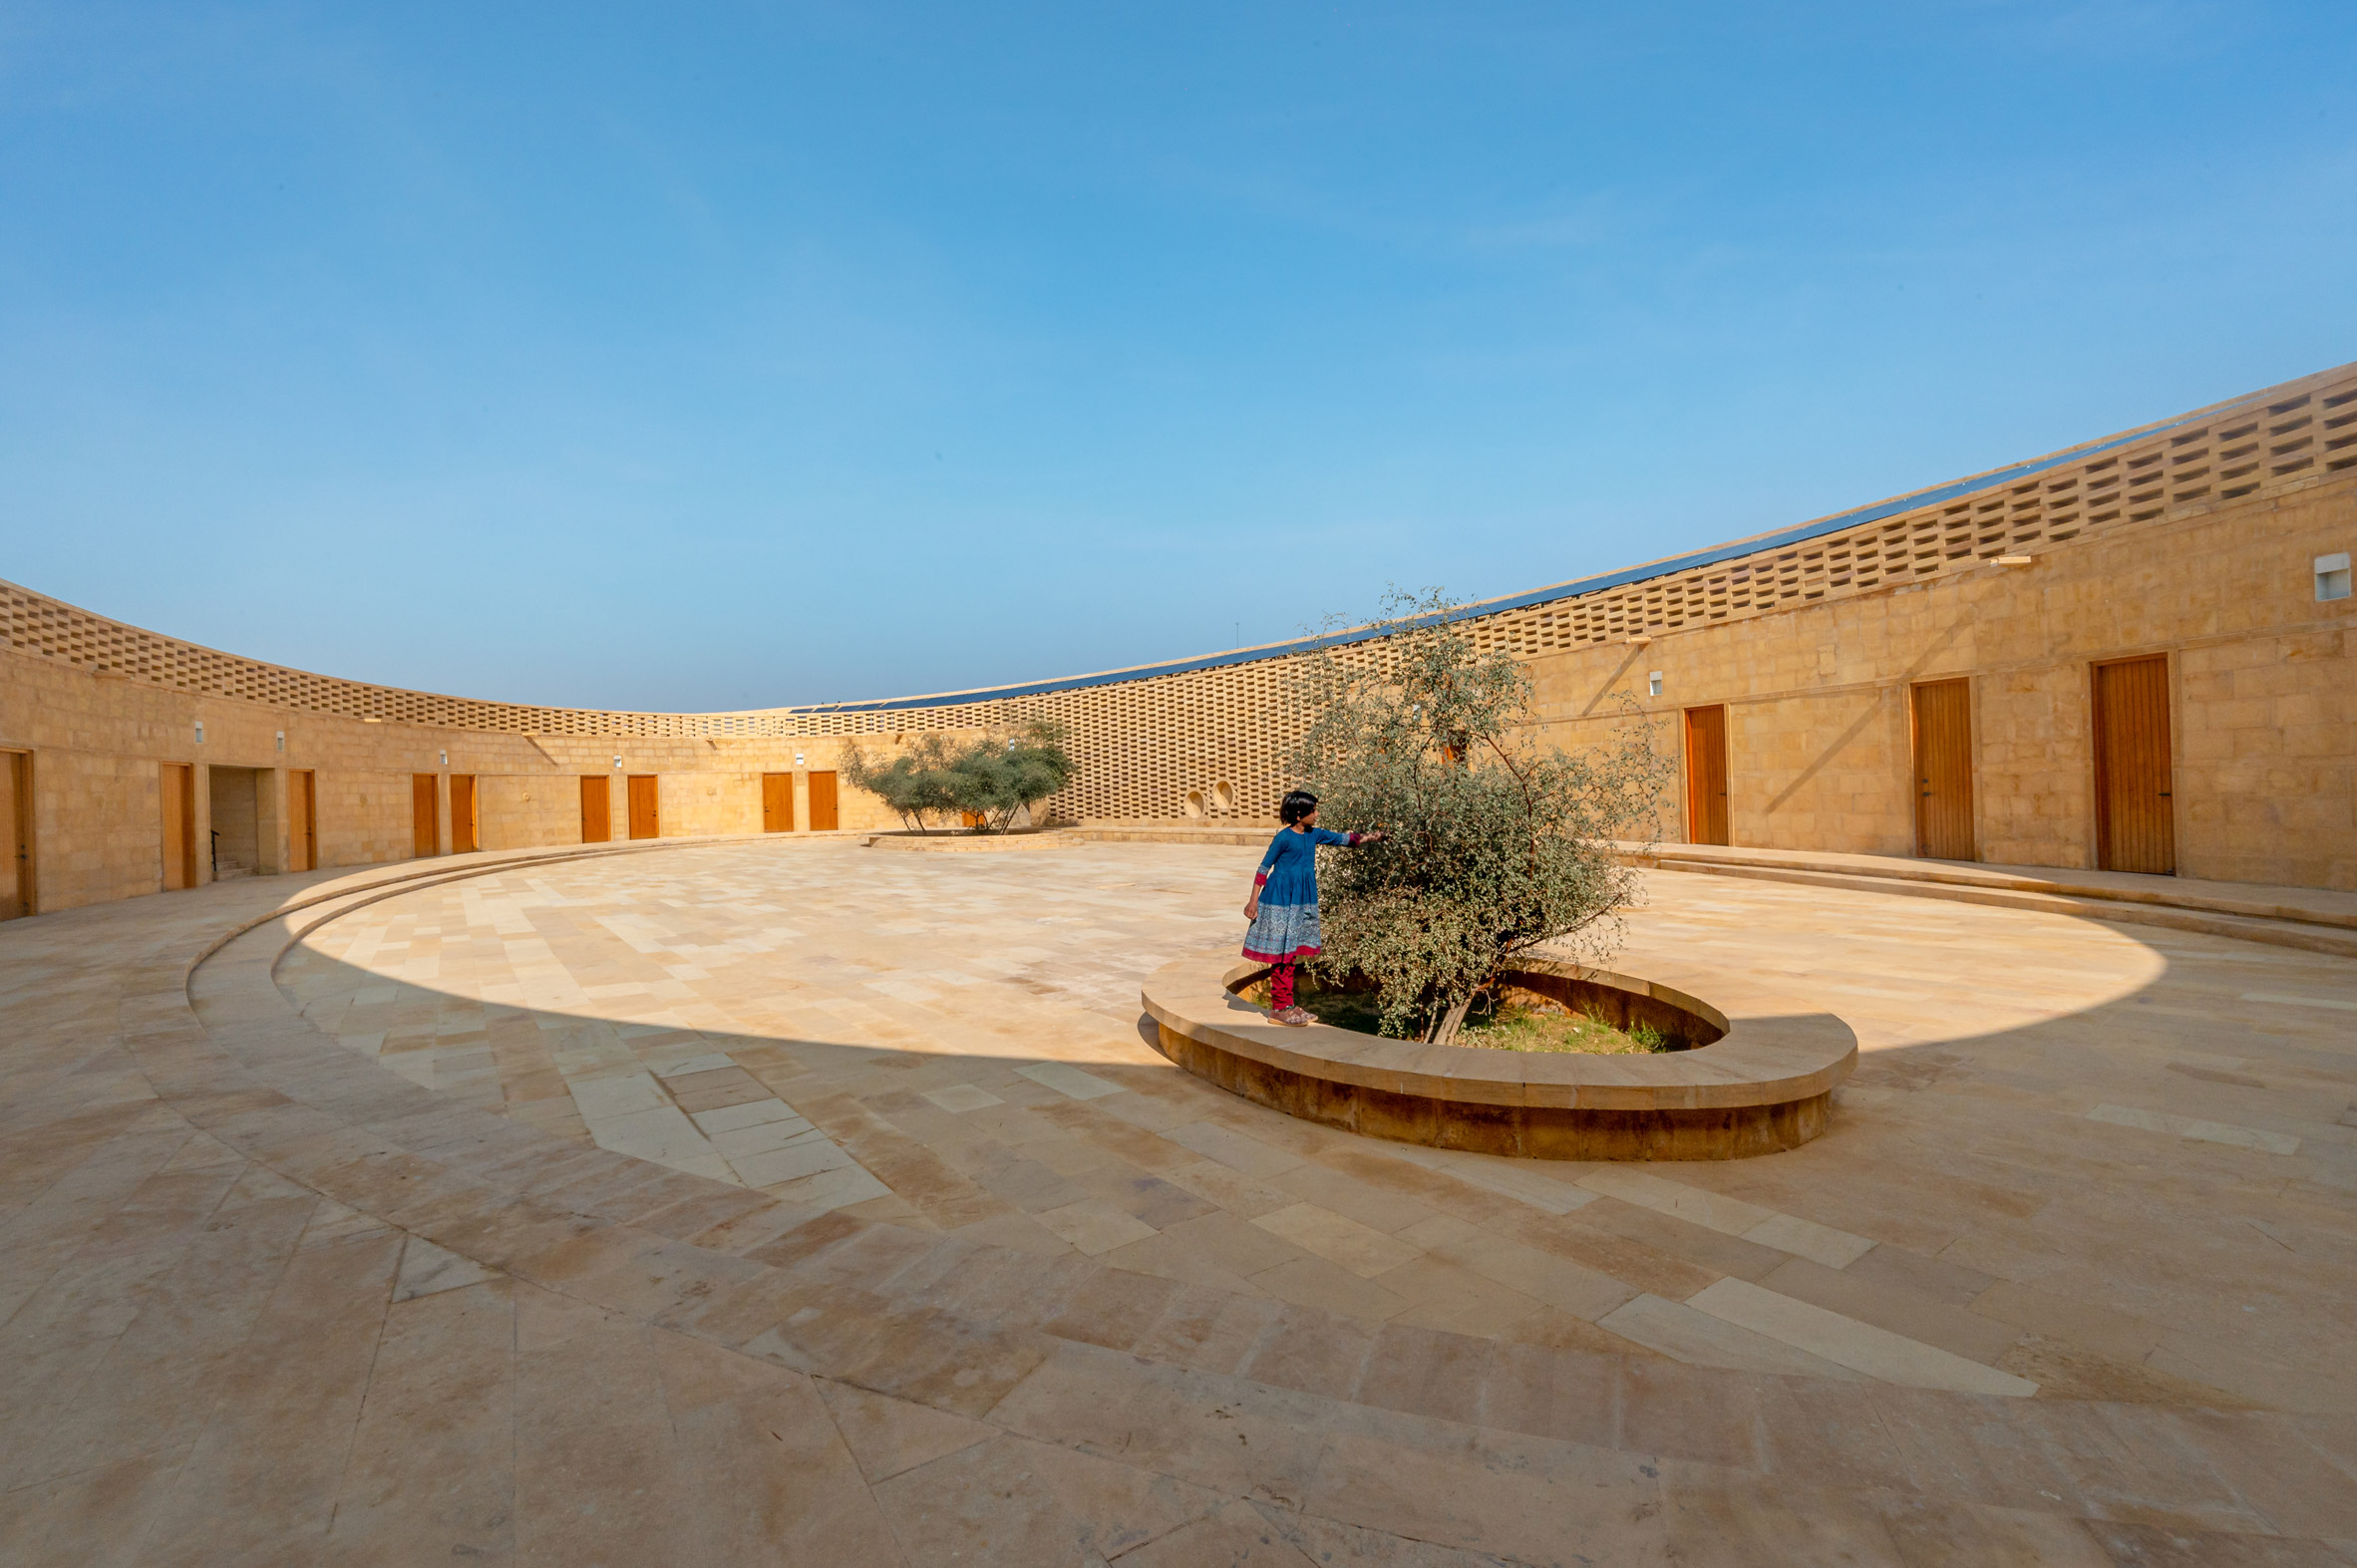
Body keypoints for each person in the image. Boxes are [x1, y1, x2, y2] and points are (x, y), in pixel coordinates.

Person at [1242, 789, 1384, 1026]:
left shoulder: (1313, 834)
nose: (1317, 814)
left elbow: (1344, 839)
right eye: (1313, 811)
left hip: (1302, 900)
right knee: (1281, 954)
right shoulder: (1283, 838)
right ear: (1299, 815)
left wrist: (1374, 838)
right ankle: (1278, 1008)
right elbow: (1263, 868)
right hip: (1279, 900)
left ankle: (1288, 1004)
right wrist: (1253, 901)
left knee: (1291, 954)